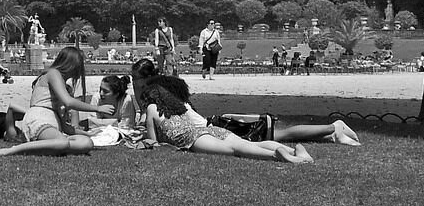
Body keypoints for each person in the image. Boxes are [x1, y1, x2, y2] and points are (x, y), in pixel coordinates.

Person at [131, 58, 360, 147]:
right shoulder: (168, 86)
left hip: (215, 127)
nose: (134, 84)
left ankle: (334, 127)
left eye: (135, 79)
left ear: (144, 78)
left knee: (284, 135)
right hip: (215, 123)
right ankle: (331, 132)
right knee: (283, 135)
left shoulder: (156, 92)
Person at [0, 46, 114, 157]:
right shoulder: (53, 73)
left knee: (86, 143)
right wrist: (97, 108)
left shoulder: (63, 84)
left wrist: (88, 134)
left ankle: (48, 147)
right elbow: (68, 102)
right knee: (63, 142)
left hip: (53, 125)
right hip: (39, 120)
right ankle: (9, 151)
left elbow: (65, 127)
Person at [139, 81, 314, 163]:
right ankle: (295, 150)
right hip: (212, 130)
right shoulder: (178, 106)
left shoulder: (151, 109)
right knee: (246, 143)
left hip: (193, 137)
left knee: (234, 150)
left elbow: (153, 140)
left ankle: (282, 157)